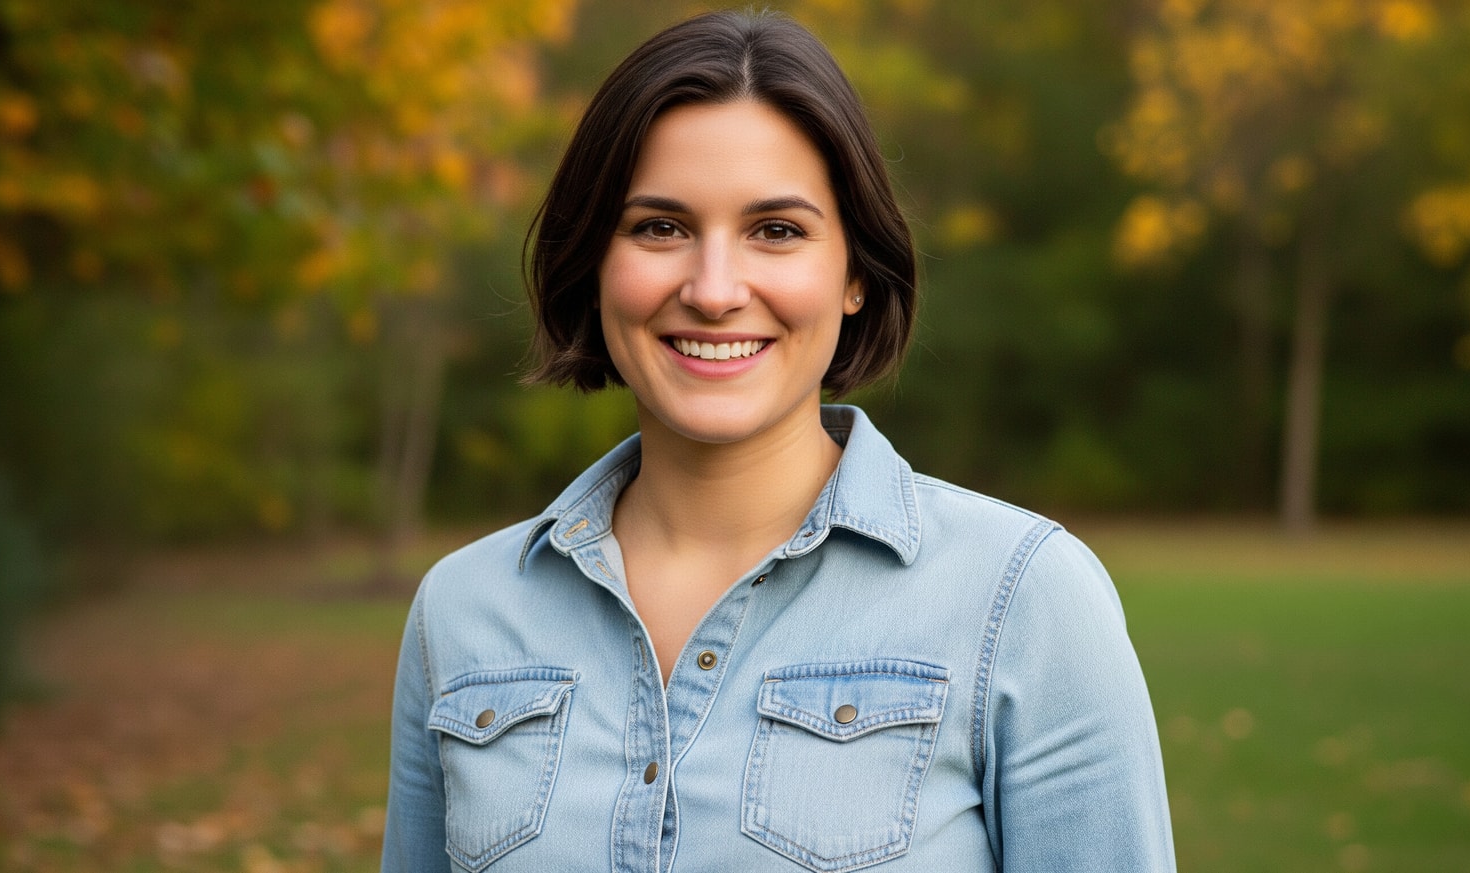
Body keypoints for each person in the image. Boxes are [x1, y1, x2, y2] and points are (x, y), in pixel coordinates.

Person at [382, 10, 1175, 873]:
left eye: (777, 231)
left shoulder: (1022, 598)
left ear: (857, 276)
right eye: (660, 227)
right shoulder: (459, 612)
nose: (715, 289)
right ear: (594, 265)